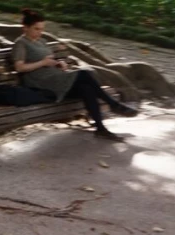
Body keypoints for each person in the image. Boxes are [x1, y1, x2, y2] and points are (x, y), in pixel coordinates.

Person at [12, 8, 137, 140]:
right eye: (36, 29)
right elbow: (19, 68)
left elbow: (47, 61)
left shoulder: (41, 41)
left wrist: (57, 63)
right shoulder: (21, 44)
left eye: (42, 29)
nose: (40, 32)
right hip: (40, 84)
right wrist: (42, 63)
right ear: (25, 28)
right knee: (84, 73)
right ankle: (113, 104)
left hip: (55, 79)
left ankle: (101, 128)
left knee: (86, 88)